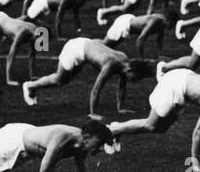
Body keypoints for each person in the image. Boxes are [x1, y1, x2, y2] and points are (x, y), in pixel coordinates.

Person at [20, 37, 153, 116]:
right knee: (58, 80)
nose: (135, 81)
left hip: (84, 45)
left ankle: (32, 86)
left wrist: (120, 108)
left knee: (63, 81)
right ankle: (30, 86)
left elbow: (122, 86)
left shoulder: (124, 58)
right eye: (136, 78)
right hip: (74, 49)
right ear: (130, 70)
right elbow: (95, 90)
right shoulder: (110, 65)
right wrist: (93, 114)